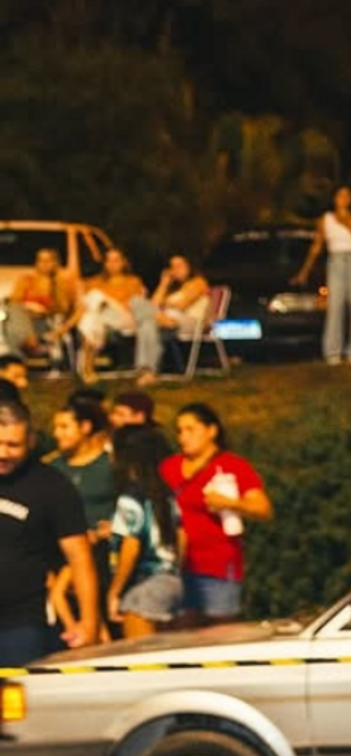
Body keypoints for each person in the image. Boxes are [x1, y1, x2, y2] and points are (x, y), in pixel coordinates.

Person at [0, 397, 100, 756]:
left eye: (14, 444)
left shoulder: (50, 487)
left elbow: (80, 559)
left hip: (20, 628)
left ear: (31, 440)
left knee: (12, 735)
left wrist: (89, 622)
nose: (4, 451)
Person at [161, 403, 272, 625]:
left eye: (191, 429)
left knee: (221, 628)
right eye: (180, 430)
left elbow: (263, 509)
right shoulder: (169, 468)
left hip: (217, 564)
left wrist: (230, 503)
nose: (183, 437)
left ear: (211, 431)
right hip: (176, 565)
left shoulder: (231, 467)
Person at [42, 398, 115, 640]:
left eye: (64, 427)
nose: (57, 434)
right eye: (55, 427)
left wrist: (112, 527)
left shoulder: (110, 465)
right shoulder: (51, 467)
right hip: (58, 553)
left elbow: (130, 507)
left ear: (84, 427)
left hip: (100, 552)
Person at [103, 425, 183, 639]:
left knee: (142, 660)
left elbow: (132, 545)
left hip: (146, 588)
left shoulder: (130, 498)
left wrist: (115, 590)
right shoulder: (170, 494)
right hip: (175, 582)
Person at [294, 185, 351, 365]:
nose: (343, 199)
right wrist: (304, 271)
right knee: (334, 306)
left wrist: (346, 222)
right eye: (340, 195)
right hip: (336, 260)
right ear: (334, 198)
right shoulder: (325, 219)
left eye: (347, 195)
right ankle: (332, 352)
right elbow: (316, 247)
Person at [130, 253, 211, 386]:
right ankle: (149, 372)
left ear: (189, 266)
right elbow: (154, 304)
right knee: (143, 316)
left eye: (180, 266)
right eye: (173, 267)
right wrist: (163, 283)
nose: (176, 270)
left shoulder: (198, 282)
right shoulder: (171, 288)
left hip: (190, 321)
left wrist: (161, 309)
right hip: (167, 322)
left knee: (147, 316)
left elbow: (183, 305)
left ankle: (146, 369)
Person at [73, 248, 145, 384]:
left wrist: (108, 302)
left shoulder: (132, 281)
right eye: (109, 261)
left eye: (116, 260)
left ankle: (66, 329)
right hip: (101, 320)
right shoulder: (95, 281)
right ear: (104, 263)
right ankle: (88, 369)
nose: (112, 264)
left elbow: (133, 307)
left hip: (125, 320)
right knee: (92, 318)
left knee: (96, 297)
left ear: (123, 263)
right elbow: (82, 304)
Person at [2, 248, 77, 365]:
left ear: (55, 263)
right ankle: (25, 347)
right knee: (8, 312)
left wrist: (45, 311)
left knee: (12, 328)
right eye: (41, 261)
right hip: (23, 320)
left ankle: (18, 357)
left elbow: (65, 309)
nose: (44, 264)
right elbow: (14, 301)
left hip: (46, 323)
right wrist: (29, 306)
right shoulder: (26, 279)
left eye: (48, 261)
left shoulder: (63, 282)